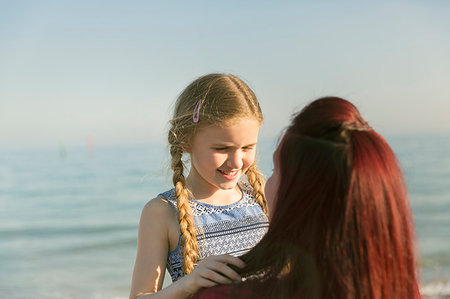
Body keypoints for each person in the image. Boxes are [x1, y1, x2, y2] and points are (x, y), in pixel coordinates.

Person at [193, 97, 420, 299]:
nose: (266, 184)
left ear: (299, 197)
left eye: (275, 170)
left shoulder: (222, 295)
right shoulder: (401, 290)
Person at [129, 73, 269, 299]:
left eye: (247, 148)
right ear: (186, 141)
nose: (236, 162)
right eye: (222, 148)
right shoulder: (162, 212)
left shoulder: (263, 197)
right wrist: (187, 284)